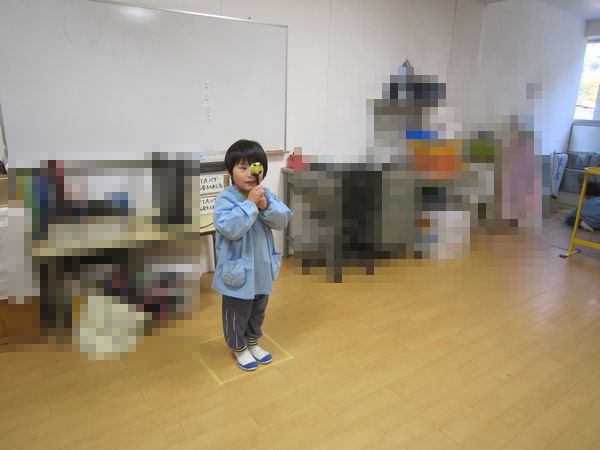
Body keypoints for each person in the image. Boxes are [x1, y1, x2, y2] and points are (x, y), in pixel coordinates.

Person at [211, 139, 292, 370]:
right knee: (238, 312)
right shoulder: (226, 198)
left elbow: (283, 219)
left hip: (261, 268)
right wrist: (249, 204)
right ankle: (239, 347)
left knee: (258, 310)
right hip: (238, 272)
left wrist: (266, 206)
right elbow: (229, 228)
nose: (250, 173)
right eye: (242, 167)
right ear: (230, 172)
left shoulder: (265, 194)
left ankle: (253, 341)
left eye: (255, 167)